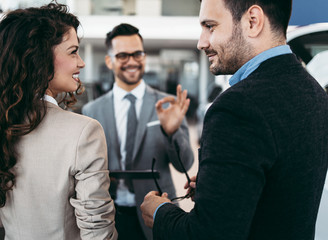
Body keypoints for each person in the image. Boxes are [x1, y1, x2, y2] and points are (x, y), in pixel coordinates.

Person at [140, 0, 328, 239]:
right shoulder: (314, 92)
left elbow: (207, 235)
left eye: (210, 26)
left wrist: (159, 213)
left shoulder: (237, 106)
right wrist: (222, 187)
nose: (201, 42)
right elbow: (283, 190)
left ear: (253, 21)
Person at [0, 2, 117, 239]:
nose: (82, 62)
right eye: (73, 51)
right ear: (40, 57)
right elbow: (98, 232)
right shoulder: (84, 131)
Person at [82, 23, 194, 240]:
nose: (132, 61)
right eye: (123, 55)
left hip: (156, 212)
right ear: (109, 61)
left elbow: (185, 165)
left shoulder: (167, 105)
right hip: (109, 214)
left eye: (137, 54)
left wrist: (171, 133)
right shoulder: (91, 110)